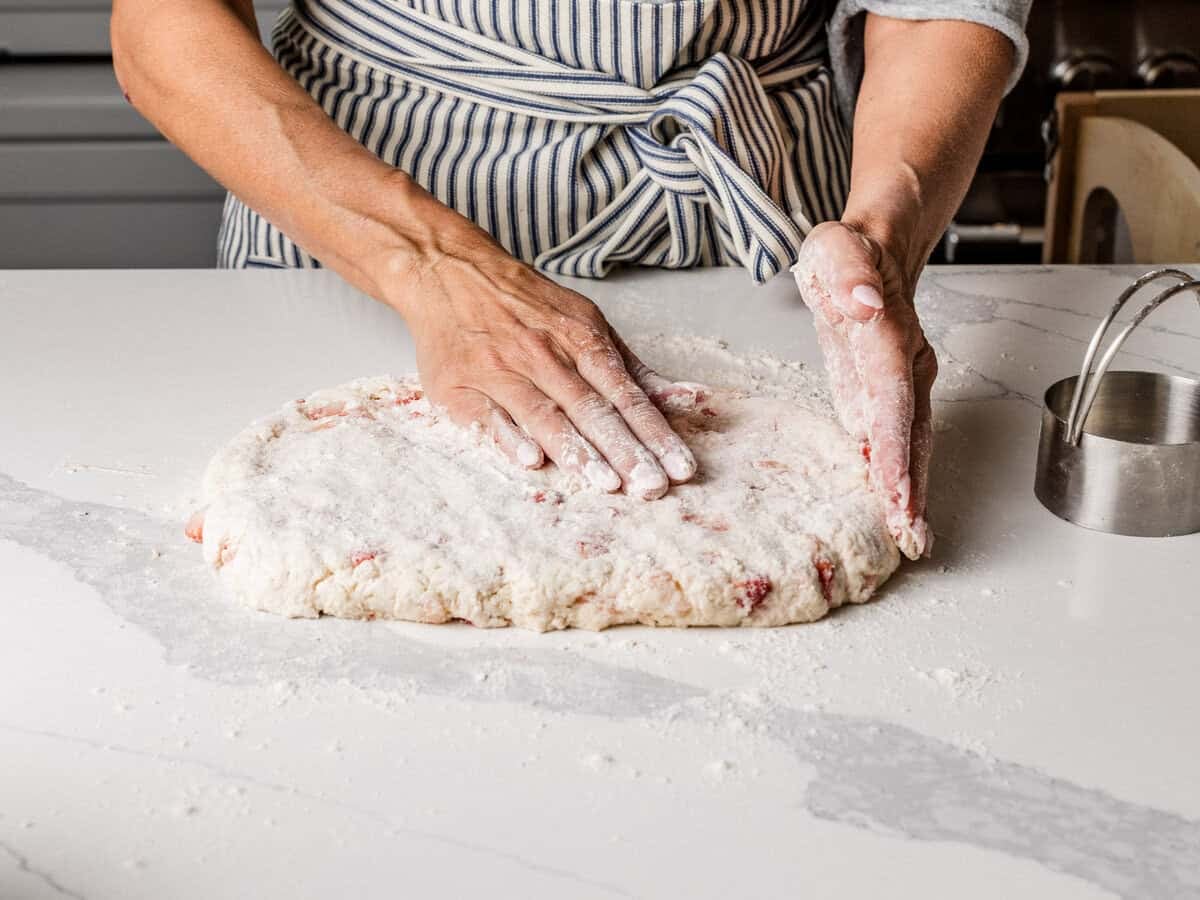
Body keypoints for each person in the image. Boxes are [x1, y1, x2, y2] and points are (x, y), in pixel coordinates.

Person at [111, 0, 1030, 558]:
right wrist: (431, 266)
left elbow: (927, 10)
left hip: (746, 238)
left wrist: (882, 236)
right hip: (350, 237)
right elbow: (160, 23)